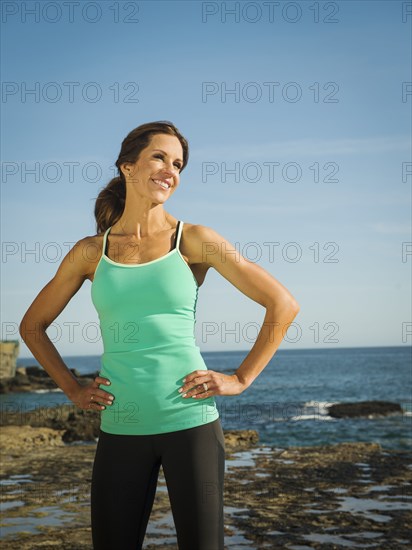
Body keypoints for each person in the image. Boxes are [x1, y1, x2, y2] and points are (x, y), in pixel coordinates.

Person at [19, 120, 300, 549]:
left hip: (190, 423)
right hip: (120, 426)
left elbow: (283, 303)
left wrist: (240, 378)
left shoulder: (195, 240)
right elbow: (32, 326)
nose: (171, 170)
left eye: (179, 164)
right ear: (127, 166)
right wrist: (72, 389)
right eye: (159, 157)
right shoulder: (91, 252)